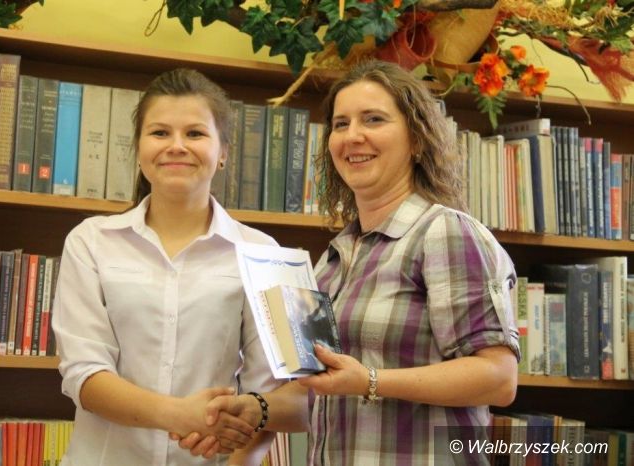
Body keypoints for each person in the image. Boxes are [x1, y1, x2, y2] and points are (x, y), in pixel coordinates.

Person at [177, 59, 520, 465]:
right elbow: (321, 396)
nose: (353, 136)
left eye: (373, 119)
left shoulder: (444, 232)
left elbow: (498, 379)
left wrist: (370, 381)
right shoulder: (332, 260)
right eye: (341, 124)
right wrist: (255, 409)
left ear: (416, 139)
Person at [51, 68, 281, 466]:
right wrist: (181, 415)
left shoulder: (263, 253)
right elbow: (84, 375)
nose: (176, 146)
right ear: (139, 147)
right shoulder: (90, 241)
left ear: (223, 151)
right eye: (159, 133)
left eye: (195, 133)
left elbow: (270, 394)